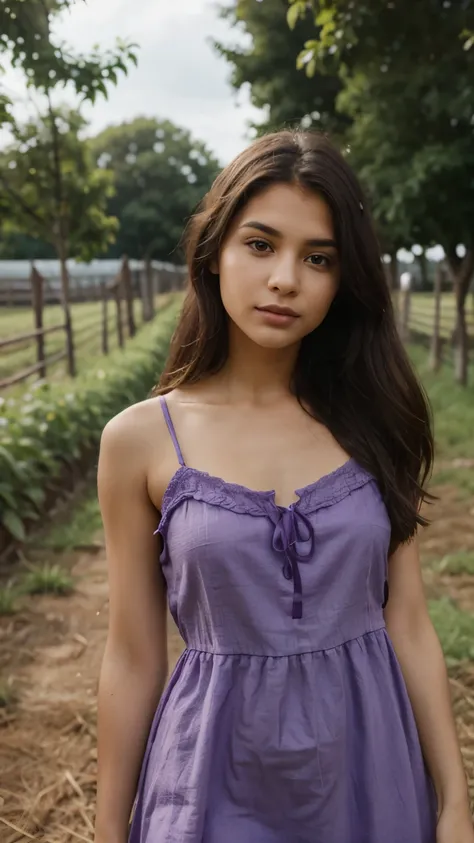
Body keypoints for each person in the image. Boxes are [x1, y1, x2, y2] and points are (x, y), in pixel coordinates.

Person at [94, 130, 474, 843]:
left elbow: (411, 622)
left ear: (344, 278)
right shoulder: (140, 440)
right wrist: (110, 826)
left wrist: (455, 800)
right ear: (214, 252)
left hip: (367, 770)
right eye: (261, 244)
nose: (285, 279)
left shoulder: (373, 421)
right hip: (211, 773)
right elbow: (132, 653)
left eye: (319, 258)